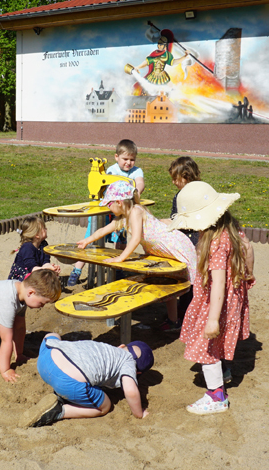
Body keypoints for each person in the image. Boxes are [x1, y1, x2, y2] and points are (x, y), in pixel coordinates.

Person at [170, 181, 256, 415]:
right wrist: (248, 274)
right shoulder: (232, 228)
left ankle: (217, 396)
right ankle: (224, 371)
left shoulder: (216, 242)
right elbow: (248, 248)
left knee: (205, 345)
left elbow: (218, 282)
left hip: (215, 302)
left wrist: (212, 319)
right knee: (215, 342)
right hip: (230, 298)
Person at [78, 179, 196, 330]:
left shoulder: (136, 211)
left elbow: (135, 239)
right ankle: (174, 321)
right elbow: (103, 230)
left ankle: (195, 322)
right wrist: (86, 241)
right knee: (168, 282)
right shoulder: (123, 217)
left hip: (176, 248)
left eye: (109, 204)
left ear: (119, 202)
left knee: (193, 286)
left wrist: (120, 258)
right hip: (163, 252)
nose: (108, 207)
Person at [21, 332, 153, 427]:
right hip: (66, 381)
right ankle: (59, 411)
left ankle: (65, 394)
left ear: (122, 346)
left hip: (46, 356)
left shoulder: (107, 348)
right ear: (137, 372)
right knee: (105, 406)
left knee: (53, 335)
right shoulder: (128, 362)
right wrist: (139, 413)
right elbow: (130, 391)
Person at [66, 139, 145, 287]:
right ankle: (77, 269)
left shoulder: (137, 172)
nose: (128, 163)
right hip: (108, 209)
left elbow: (140, 182)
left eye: (132, 159)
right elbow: (103, 185)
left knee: (121, 240)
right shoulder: (111, 171)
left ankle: (118, 268)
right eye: (125, 159)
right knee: (92, 237)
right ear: (116, 157)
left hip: (122, 211)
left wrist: (136, 192)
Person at [8, 215, 60, 281]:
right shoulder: (27, 247)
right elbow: (32, 268)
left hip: (35, 273)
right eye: (44, 228)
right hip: (22, 280)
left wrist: (51, 268)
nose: (46, 229)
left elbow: (45, 261)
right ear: (37, 235)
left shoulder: (44, 244)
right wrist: (46, 269)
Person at [167, 156, 201, 247]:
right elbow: (174, 216)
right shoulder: (178, 195)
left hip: (194, 237)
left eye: (175, 179)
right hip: (183, 235)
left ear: (186, 176)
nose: (173, 182)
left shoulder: (200, 192)